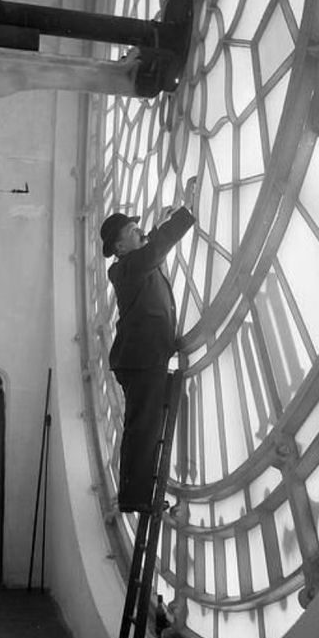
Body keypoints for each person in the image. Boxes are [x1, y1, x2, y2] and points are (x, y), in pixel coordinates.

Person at [101, 203, 195, 513]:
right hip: (142, 358)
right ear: (119, 247)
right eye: (132, 231)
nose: (139, 232)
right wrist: (184, 215)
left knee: (145, 424)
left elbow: (148, 248)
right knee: (143, 427)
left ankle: (138, 494)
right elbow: (152, 251)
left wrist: (156, 228)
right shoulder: (124, 269)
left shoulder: (132, 265)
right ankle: (135, 497)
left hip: (145, 356)